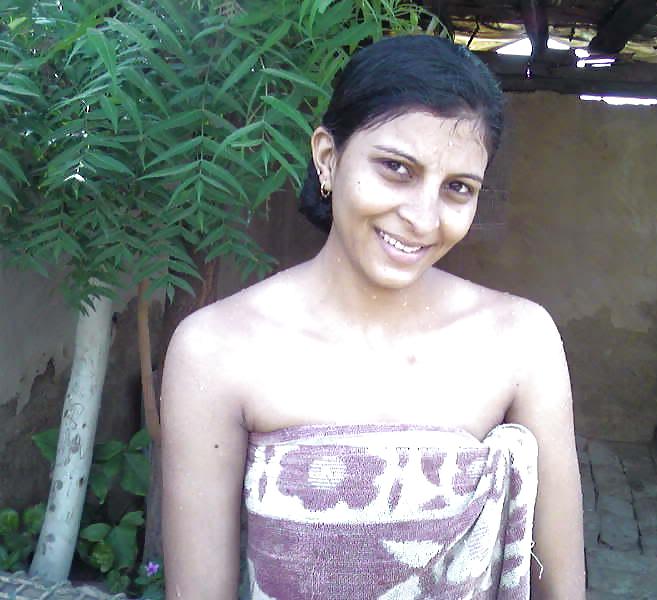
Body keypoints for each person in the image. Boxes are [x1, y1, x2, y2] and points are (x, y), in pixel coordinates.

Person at [161, 34, 584, 599]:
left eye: (457, 188)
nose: (423, 218)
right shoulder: (216, 348)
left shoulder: (521, 342)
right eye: (396, 169)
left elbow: (561, 586)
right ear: (328, 158)